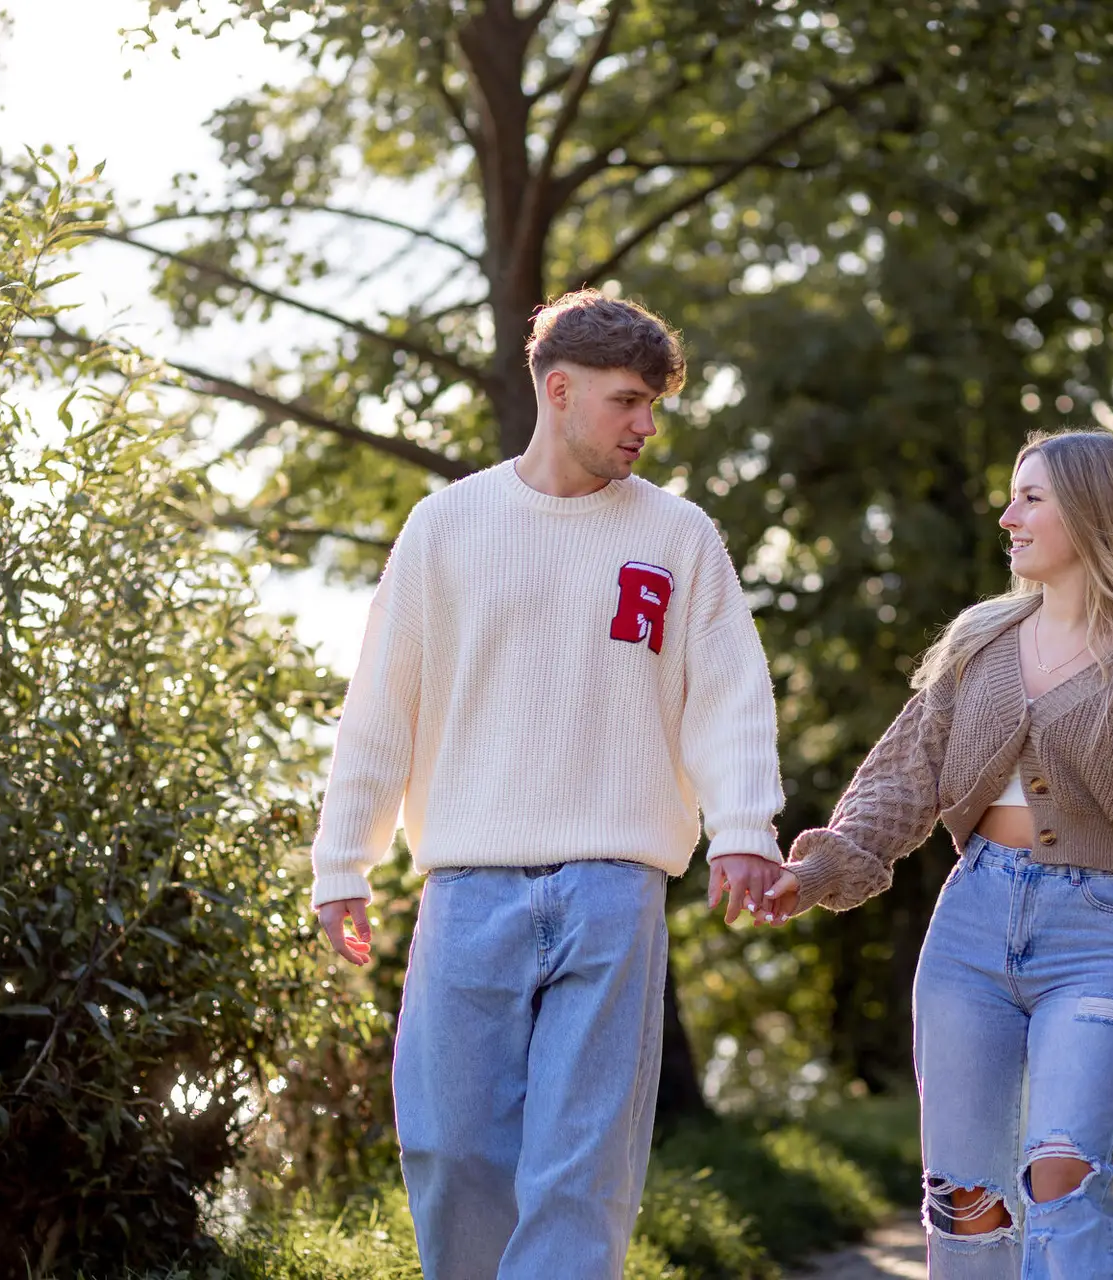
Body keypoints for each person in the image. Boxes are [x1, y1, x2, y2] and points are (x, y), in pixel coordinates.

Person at [308, 289, 786, 1280]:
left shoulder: (679, 535)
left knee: (582, 1169)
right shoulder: (446, 526)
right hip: (468, 881)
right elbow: (381, 704)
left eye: (653, 405)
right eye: (627, 401)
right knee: (451, 1149)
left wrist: (745, 826)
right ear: (558, 390)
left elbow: (728, 694)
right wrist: (343, 859)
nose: (645, 425)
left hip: (615, 883)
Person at [762, 429, 1113, 1279]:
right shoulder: (980, 644)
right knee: (965, 1198)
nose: (1008, 517)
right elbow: (905, 775)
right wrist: (819, 868)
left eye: (1031, 499)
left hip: (1097, 937)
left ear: (1091, 512)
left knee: (1063, 1177)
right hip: (969, 931)